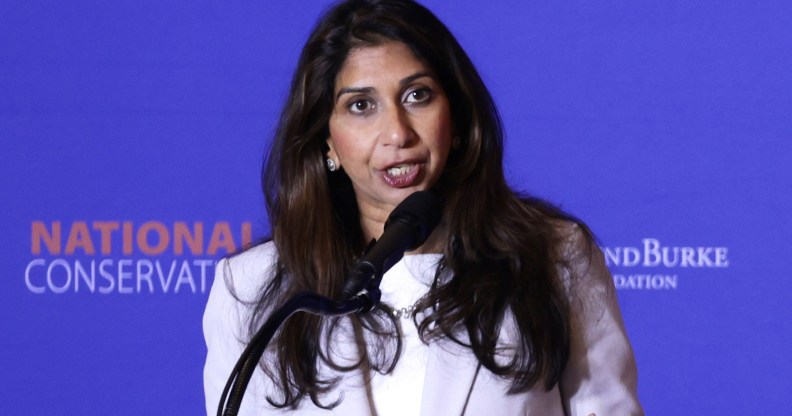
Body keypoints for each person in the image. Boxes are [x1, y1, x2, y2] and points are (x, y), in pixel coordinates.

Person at [203, 0, 643, 414]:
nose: (398, 133)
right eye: (361, 106)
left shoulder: (553, 257)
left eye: (417, 96)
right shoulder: (252, 291)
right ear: (327, 142)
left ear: (457, 117)